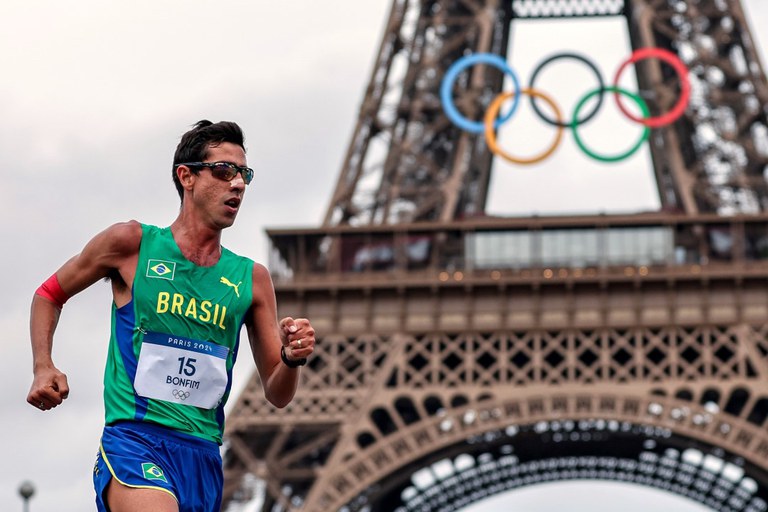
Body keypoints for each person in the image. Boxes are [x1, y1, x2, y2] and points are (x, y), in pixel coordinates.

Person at [26, 120, 316, 512]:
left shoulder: (252, 279)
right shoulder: (131, 244)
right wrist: (43, 365)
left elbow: (278, 394)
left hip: (202, 456)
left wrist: (291, 358)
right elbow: (48, 294)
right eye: (224, 171)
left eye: (244, 174)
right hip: (136, 441)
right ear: (187, 176)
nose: (238, 184)